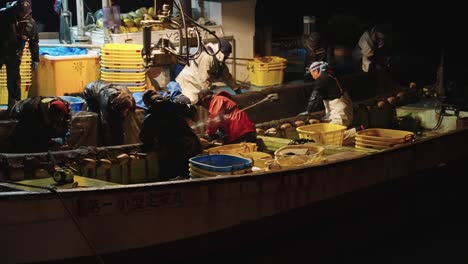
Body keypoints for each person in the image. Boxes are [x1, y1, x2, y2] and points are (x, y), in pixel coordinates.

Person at [140, 89, 201, 181]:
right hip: (191, 147)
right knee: (189, 179)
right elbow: (192, 118)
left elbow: (145, 136)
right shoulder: (177, 106)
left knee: (167, 181)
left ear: (147, 102)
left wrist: (149, 149)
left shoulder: (151, 115)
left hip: (171, 152)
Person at [174, 38, 246, 105]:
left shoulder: (219, 61)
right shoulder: (207, 57)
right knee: (192, 102)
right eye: (226, 54)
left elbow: (227, 76)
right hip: (189, 81)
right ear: (221, 52)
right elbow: (203, 78)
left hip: (197, 83)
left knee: (201, 99)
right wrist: (208, 94)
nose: (227, 57)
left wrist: (237, 89)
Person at [0, 0, 40, 110]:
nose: (23, 15)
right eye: (20, 13)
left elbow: (34, 43)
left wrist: (35, 59)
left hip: (14, 55)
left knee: (13, 82)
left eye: (25, 13)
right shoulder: (4, 16)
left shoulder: (31, 24)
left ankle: (14, 108)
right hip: (1, 51)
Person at [299, 61, 353, 128]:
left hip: (339, 110)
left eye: (312, 74)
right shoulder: (331, 74)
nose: (313, 77)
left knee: (337, 130)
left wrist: (308, 110)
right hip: (345, 106)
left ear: (316, 70)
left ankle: (356, 131)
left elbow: (315, 96)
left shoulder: (322, 79)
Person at [82, 80, 136, 146]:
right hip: (90, 92)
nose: (125, 113)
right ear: (115, 106)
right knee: (99, 120)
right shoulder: (106, 100)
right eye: (123, 110)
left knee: (118, 122)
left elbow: (131, 111)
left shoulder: (129, 98)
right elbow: (104, 122)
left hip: (105, 88)